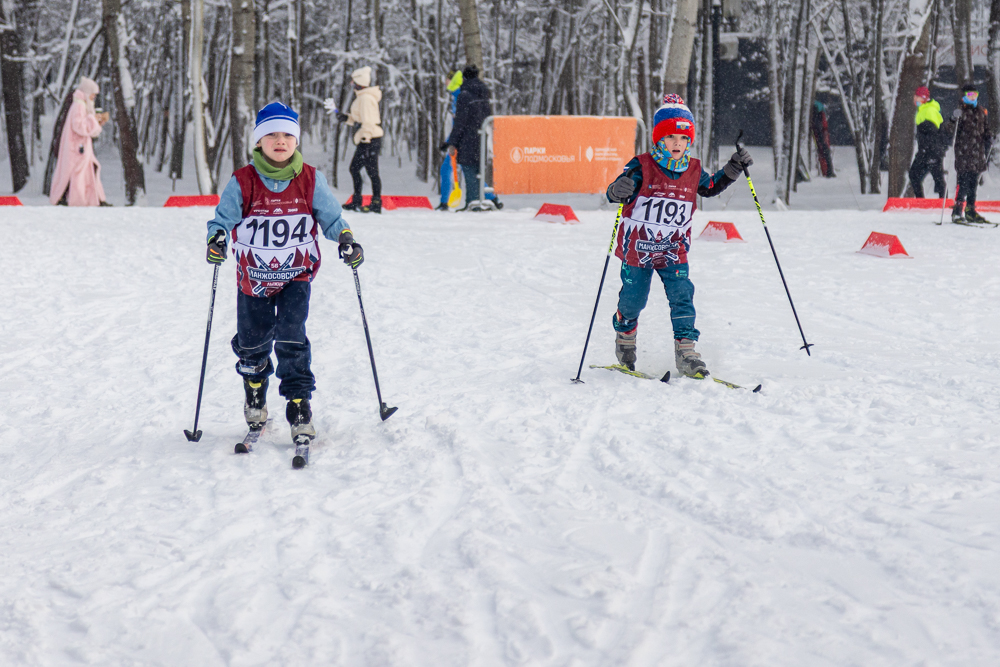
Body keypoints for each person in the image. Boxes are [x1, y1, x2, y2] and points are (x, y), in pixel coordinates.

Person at [204, 101, 362, 443]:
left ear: (296, 141)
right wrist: (216, 237)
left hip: (296, 275)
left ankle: (298, 403)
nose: (280, 140)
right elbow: (223, 220)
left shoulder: (309, 179)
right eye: (271, 134)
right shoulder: (243, 181)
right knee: (252, 344)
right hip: (254, 279)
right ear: (258, 141)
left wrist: (346, 238)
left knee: (292, 337)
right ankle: (256, 388)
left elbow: (331, 218)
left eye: (287, 134)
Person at [605, 94, 752, 378]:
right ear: (659, 138)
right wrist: (616, 190)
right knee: (634, 300)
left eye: (683, 138)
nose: (677, 143)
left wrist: (733, 168)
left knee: (683, 296)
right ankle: (625, 332)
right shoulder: (642, 165)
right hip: (639, 249)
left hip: (673, 249)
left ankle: (686, 351)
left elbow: (710, 187)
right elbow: (616, 190)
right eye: (670, 137)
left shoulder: (693, 169)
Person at [445, 64, 501, 210]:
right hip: (482, 136)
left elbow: (460, 122)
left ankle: (473, 203)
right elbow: (487, 114)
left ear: (464, 77)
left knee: (469, 170)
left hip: (467, 138)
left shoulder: (464, 95)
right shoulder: (483, 92)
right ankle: (477, 202)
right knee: (478, 171)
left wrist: (452, 142)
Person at [49, 77, 111, 206]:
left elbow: (86, 127)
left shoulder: (82, 105)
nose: (94, 97)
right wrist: (93, 119)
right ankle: (73, 199)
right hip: (77, 149)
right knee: (76, 174)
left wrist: (96, 121)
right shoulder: (79, 105)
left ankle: (94, 200)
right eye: (93, 94)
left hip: (79, 148)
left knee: (84, 173)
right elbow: (79, 126)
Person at [337, 66, 384, 213]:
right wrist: (346, 118)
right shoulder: (363, 97)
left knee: (363, 169)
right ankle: (366, 201)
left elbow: (368, 122)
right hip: (369, 138)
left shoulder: (365, 98)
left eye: (353, 82)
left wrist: (366, 140)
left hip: (369, 139)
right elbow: (360, 119)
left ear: (359, 82)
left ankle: (371, 202)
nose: (352, 85)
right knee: (366, 170)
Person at [948, 83, 993, 224]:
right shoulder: (960, 111)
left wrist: (989, 136)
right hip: (964, 153)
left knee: (973, 183)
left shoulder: (981, 112)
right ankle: (957, 210)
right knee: (963, 182)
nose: (972, 98)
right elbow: (950, 130)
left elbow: (985, 129)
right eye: (969, 95)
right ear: (964, 97)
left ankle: (970, 210)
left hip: (977, 154)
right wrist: (953, 119)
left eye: (975, 95)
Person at [908, 85, 946, 199]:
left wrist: (929, 152)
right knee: (932, 177)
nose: (915, 99)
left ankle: (944, 203)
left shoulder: (929, 111)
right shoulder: (923, 110)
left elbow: (932, 134)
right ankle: (924, 201)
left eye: (917, 97)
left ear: (923, 98)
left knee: (936, 178)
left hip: (931, 151)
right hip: (926, 151)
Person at [437, 69, 463, 211]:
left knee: (466, 170)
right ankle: (444, 202)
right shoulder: (455, 97)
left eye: (447, 80)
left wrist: (451, 141)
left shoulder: (460, 97)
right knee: (446, 169)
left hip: (460, 141)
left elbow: (460, 123)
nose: (445, 83)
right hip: (455, 140)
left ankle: (491, 197)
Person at [810, 100, 835, 178]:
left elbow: (818, 123)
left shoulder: (816, 109)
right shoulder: (820, 107)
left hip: (820, 131)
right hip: (822, 131)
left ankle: (827, 172)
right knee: (825, 151)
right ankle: (828, 171)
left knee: (823, 151)